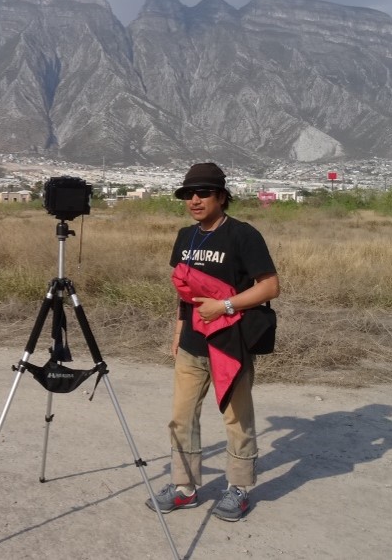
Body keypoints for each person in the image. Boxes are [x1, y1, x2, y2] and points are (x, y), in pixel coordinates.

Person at [146, 162, 280, 522]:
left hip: (230, 345)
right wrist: (178, 331)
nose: (194, 200)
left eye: (203, 193)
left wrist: (224, 306)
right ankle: (184, 488)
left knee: (237, 418)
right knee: (181, 417)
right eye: (188, 194)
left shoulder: (243, 235)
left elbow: (270, 287)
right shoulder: (185, 237)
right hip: (192, 345)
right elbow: (184, 291)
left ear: (221, 196)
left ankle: (238, 488)